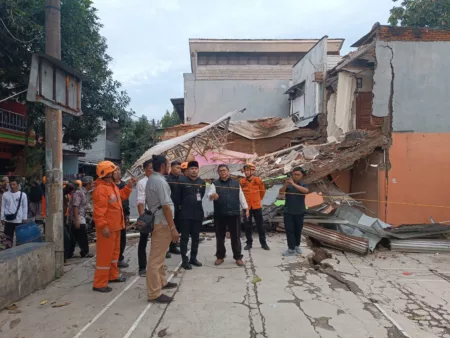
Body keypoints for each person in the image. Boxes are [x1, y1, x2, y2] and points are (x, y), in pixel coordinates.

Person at [92, 161, 135, 293]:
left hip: (116, 227)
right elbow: (99, 211)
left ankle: (112, 276)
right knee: (105, 256)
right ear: (107, 174)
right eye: (114, 171)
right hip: (108, 229)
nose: (118, 173)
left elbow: (121, 197)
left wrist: (128, 187)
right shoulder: (101, 189)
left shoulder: (111, 186)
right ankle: (99, 284)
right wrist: (103, 226)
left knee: (114, 255)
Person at [145, 154, 180, 303]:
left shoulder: (154, 179)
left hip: (159, 221)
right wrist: (173, 228)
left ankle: (162, 282)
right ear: (163, 167)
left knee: (159, 257)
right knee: (156, 259)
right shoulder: (159, 181)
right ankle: (154, 293)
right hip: (162, 223)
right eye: (167, 164)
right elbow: (166, 206)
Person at [208, 164, 249, 267]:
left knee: (235, 237)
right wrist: (213, 195)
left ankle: (238, 257)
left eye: (224, 170)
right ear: (218, 173)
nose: (223, 172)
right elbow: (210, 194)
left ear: (228, 171)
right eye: (221, 171)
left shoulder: (236, 183)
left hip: (234, 214)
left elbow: (241, 196)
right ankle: (220, 256)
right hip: (220, 214)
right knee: (220, 237)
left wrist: (246, 208)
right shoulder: (215, 184)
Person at [178, 161, 205, 270]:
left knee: (196, 238)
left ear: (198, 170)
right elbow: (177, 197)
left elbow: (201, 196)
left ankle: (193, 258)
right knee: (184, 238)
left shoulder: (201, 182)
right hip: (185, 215)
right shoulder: (182, 181)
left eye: (196, 169)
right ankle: (184, 260)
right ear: (188, 170)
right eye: (192, 169)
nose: (194, 170)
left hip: (197, 214)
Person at [279, 167, 309, 257]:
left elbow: (306, 191)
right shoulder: (288, 185)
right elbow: (281, 192)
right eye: (294, 174)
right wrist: (286, 184)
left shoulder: (303, 185)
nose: (296, 176)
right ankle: (290, 248)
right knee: (289, 231)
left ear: (301, 176)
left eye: (298, 175)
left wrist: (293, 184)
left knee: (298, 230)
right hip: (288, 211)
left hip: (299, 212)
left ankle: (297, 246)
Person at [240, 163, 270, 251]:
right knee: (247, 225)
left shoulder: (258, 180)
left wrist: (258, 200)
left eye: (248, 170)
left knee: (260, 225)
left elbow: (262, 192)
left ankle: (263, 243)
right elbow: (240, 194)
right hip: (247, 208)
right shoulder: (242, 181)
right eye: (245, 171)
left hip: (257, 206)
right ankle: (249, 243)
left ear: (252, 171)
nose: (246, 172)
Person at [136, 159, 155, 277]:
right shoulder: (142, 183)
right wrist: (142, 218)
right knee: (143, 241)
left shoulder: (159, 181)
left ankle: (155, 267)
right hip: (147, 215)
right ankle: (142, 267)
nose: (153, 170)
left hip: (158, 214)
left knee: (157, 242)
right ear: (145, 170)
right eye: (151, 168)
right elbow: (140, 201)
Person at [67, 177, 93, 258]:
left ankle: (70, 253)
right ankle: (84, 251)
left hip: (79, 217)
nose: (93, 185)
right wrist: (77, 220)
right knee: (82, 235)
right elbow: (75, 206)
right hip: (77, 217)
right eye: (91, 183)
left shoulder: (84, 193)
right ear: (88, 184)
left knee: (74, 237)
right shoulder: (79, 193)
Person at [1, 177, 28, 249]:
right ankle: (8, 253)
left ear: (17, 185)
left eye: (14, 184)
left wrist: (25, 218)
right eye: (11, 184)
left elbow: (25, 207)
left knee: (20, 239)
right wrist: (2, 218)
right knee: (8, 239)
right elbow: (3, 207)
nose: (12, 186)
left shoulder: (23, 195)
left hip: (19, 220)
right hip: (8, 220)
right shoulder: (5, 195)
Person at [113, 167, 131, 268]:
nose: (118, 172)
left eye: (119, 169)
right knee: (114, 238)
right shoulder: (109, 186)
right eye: (115, 170)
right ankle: (113, 259)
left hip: (123, 214)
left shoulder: (123, 184)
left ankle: (119, 258)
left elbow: (126, 200)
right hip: (113, 216)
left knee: (122, 237)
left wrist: (127, 213)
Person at [166, 161, 182, 255]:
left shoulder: (181, 179)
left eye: (180, 168)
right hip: (170, 207)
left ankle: (173, 246)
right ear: (171, 168)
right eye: (177, 167)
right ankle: (166, 248)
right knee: (169, 227)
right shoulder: (167, 179)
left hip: (179, 207)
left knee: (177, 227)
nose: (179, 169)